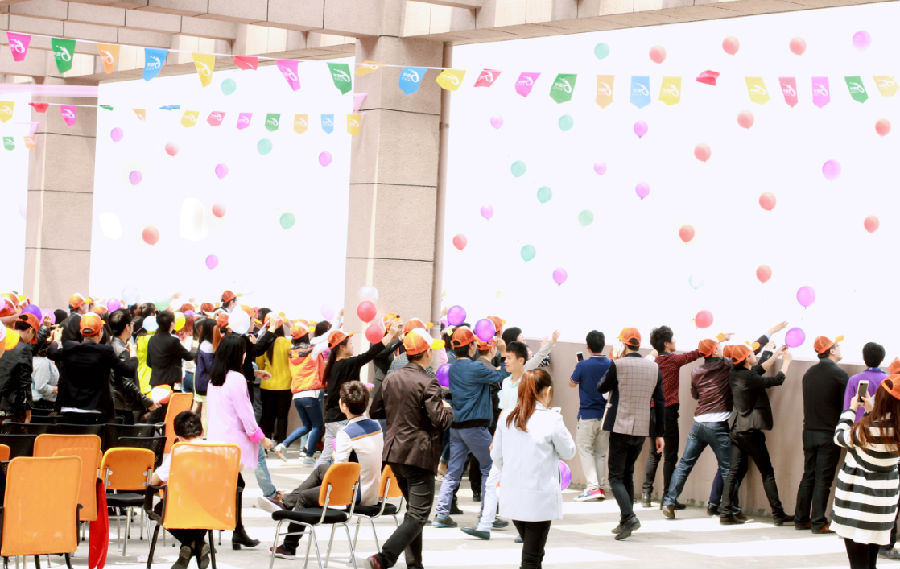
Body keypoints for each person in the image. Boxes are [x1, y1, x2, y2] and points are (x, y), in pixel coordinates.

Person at [366, 327, 454, 569]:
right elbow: (440, 420)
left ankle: (414, 565)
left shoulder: (391, 378)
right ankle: (384, 558)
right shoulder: (428, 382)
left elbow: (375, 410)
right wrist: (448, 409)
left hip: (395, 453)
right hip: (418, 454)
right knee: (419, 514)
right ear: (426, 353)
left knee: (414, 513)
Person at [269, 381, 384, 559]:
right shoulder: (376, 426)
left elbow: (339, 472)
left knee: (305, 497)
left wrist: (336, 454)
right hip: (372, 489)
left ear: (343, 405)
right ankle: (287, 501)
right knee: (321, 469)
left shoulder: (346, 433)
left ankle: (289, 546)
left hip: (355, 494)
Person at [492, 369, 575, 569]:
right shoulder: (551, 419)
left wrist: (513, 471)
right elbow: (569, 451)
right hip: (540, 498)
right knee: (531, 558)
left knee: (534, 554)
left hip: (512, 495)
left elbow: (497, 456)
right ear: (547, 391)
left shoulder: (507, 418)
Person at [205, 333, 274, 550]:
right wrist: (260, 437)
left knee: (234, 483)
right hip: (233, 442)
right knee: (233, 485)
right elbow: (246, 413)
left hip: (217, 439)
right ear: (237, 354)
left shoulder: (215, 378)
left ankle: (236, 530)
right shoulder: (235, 379)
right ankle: (235, 530)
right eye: (243, 352)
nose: (245, 355)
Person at [433, 326, 508, 528]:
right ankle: (487, 515)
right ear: (472, 346)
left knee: (453, 471)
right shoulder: (475, 368)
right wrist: (503, 353)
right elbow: (503, 375)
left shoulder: (453, 367)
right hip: (475, 427)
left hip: (457, 427)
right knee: (490, 468)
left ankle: (441, 513)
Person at [598, 328, 664, 540]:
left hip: (620, 426)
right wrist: (659, 434)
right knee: (627, 473)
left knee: (615, 477)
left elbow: (601, 387)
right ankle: (624, 520)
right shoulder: (654, 368)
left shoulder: (618, 364)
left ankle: (629, 517)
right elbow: (660, 402)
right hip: (642, 429)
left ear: (623, 344)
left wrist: (614, 361)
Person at [461, 340, 530, 540]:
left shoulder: (529, 382)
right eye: (505, 357)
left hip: (521, 439)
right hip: (504, 438)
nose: (505, 361)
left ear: (521, 360)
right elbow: (503, 412)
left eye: (509, 358)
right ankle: (484, 525)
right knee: (492, 482)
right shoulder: (506, 382)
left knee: (518, 485)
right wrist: (496, 437)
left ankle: (525, 530)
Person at [720, 343, 794, 525]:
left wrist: (776, 354)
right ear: (746, 359)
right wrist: (786, 362)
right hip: (750, 432)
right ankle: (778, 514)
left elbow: (760, 369)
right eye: (752, 353)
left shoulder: (735, 373)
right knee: (767, 472)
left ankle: (725, 514)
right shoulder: (749, 377)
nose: (755, 355)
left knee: (732, 472)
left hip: (737, 429)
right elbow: (777, 380)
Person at [832, 373, 900, 569]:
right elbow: (882, 428)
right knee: (871, 563)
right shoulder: (893, 430)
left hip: (858, 507)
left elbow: (839, 436)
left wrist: (851, 409)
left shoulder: (865, 430)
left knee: (859, 564)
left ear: (883, 401)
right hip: (882, 508)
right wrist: (872, 411)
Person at [642, 325, 715, 508]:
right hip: (668, 412)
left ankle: (646, 494)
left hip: (652, 411)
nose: (675, 341)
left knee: (653, 454)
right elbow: (697, 353)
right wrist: (719, 339)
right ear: (666, 343)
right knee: (670, 455)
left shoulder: (651, 362)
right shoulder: (673, 360)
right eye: (672, 339)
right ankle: (667, 498)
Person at [662, 338, 734, 519]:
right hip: (718, 424)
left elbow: (695, 395)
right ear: (714, 351)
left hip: (698, 423)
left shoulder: (696, 372)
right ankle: (730, 509)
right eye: (718, 347)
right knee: (727, 468)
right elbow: (745, 356)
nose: (721, 348)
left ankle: (669, 502)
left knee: (684, 464)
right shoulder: (726, 365)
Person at [318, 323, 401, 466]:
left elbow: (339, 390)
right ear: (342, 347)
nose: (352, 346)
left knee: (326, 457)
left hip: (332, 420)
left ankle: (317, 479)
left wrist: (361, 390)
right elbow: (370, 354)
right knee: (347, 458)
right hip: (342, 420)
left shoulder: (335, 366)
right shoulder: (347, 363)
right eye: (350, 343)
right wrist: (391, 335)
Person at [795, 335, 849, 533]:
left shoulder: (809, 373)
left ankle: (801, 519)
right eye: (838, 346)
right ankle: (818, 522)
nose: (840, 349)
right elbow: (846, 405)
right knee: (823, 479)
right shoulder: (839, 375)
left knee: (808, 475)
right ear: (831, 350)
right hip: (828, 433)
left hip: (808, 431)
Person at [49, 313, 146, 424]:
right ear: (100, 332)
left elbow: (51, 353)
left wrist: (56, 340)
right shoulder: (105, 351)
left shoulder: (70, 348)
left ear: (81, 332)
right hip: (96, 411)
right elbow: (128, 371)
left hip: (68, 408)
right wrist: (133, 355)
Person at [149, 411, 210, 569]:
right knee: (200, 511)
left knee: (159, 509)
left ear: (178, 437)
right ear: (202, 431)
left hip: (183, 508)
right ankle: (197, 544)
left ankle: (190, 544)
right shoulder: (218, 450)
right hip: (212, 509)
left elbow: (154, 480)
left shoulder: (179, 452)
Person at [570, 330, 613, 502]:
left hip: (587, 415)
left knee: (585, 450)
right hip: (605, 415)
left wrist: (578, 366)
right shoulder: (611, 364)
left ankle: (593, 487)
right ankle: (601, 487)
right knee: (601, 452)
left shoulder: (583, 365)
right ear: (603, 345)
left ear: (587, 347)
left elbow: (572, 383)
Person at [275, 322, 327, 464]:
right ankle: (308, 456)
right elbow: (329, 341)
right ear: (305, 336)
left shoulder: (292, 351)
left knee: (307, 426)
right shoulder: (312, 351)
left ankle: (283, 445)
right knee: (317, 425)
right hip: (310, 393)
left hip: (297, 395)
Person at [108, 309, 155, 424]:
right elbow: (127, 382)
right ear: (127, 327)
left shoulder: (110, 345)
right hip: (123, 405)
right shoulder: (122, 350)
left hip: (113, 403)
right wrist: (146, 401)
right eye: (131, 324)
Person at [258, 316, 293, 444]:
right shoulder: (287, 343)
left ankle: (265, 442)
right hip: (285, 385)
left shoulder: (264, 342)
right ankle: (281, 442)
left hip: (266, 384)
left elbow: (260, 364)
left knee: (267, 415)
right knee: (282, 416)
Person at [0, 313, 38, 423]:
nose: (31, 340)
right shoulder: (24, 349)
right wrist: (28, 414)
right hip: (10, 408)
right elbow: (24, 383)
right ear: (30, 331)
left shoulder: (3, 341)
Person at [148, 311, 194, 388]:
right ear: (172, 324)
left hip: (155, 380)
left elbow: (149, 362)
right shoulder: (173, 341)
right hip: (168, 381)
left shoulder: (152, 339)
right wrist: (196, 351)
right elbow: (188, 356)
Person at [845, 343, 889, 423]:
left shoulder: (854, 380)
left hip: (858, 426)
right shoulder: (889, 380)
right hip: (881, 426)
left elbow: (847, 407)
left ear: (863, 357)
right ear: (882, 359)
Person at [30, 332, 59, 410]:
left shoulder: (37, 359)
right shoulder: (42, 362)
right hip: (41, 403)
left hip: (40, 402)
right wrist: (56, 389)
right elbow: (41, 387)